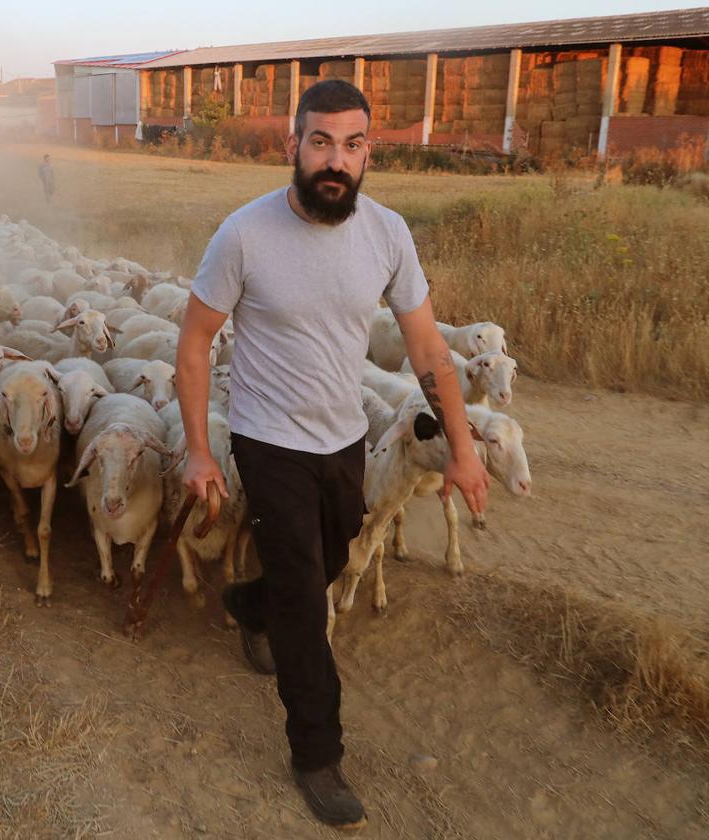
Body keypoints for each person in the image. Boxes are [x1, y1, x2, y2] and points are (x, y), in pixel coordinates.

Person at [175, 80, 489, 831]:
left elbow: (425, 347)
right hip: (268, 436)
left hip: (343, 437)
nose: (335, 161)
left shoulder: (385, 234)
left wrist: (464, 448)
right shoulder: (244, 235)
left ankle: (248, 603)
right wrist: (197, 449)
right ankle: (317, 751)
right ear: (293, 146)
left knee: (334, 555)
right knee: (305, 599)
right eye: (320, 142)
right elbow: (193, 343)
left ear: (368, 154)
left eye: (352, 146)